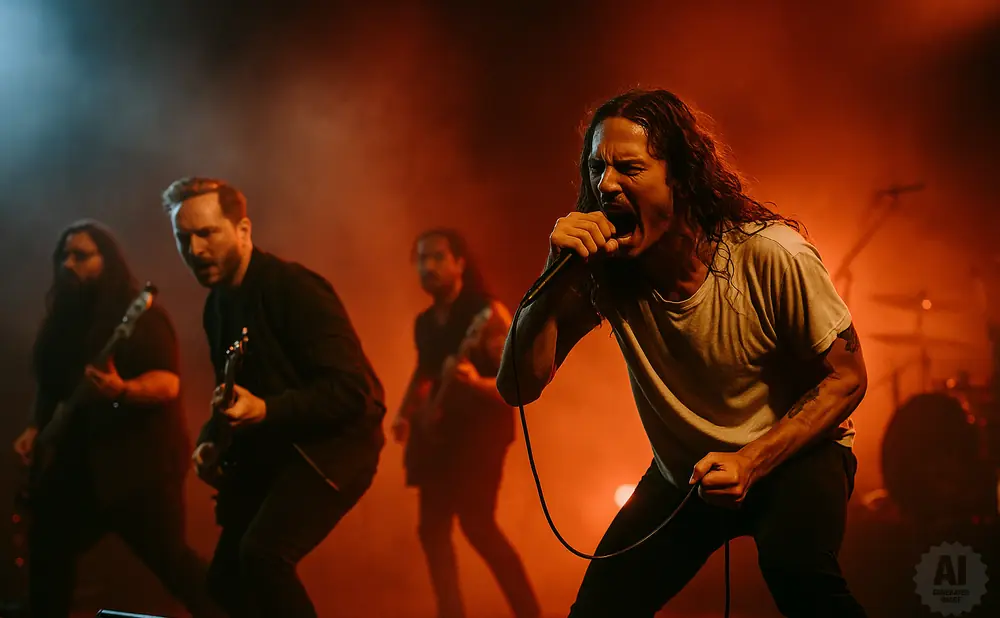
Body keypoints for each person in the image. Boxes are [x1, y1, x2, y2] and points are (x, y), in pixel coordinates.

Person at [496, 89, 869, 618]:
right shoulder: (605, 271)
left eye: (629, 168)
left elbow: (847, 378)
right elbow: (517, 386)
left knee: (799, 577)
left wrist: (751, 460)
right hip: (687, 473)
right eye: (596, 168)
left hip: (797, 456)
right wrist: (552, 277)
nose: (605, 185)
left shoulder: (770, 253)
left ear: (683, 178)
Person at [161, 177, 386, 618]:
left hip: (336, 451)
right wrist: (211, 439)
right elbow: (230, 393)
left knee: (263, 556)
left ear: (243, 230)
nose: (195, 250)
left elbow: (352, 391)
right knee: (224, 581)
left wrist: (266, 410)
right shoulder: (217, 306)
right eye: (182, 238)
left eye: (207, 233)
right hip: (283, 449)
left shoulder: (293, 287)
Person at [12, 220, 219, 618]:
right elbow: (52, 384)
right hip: (79, 468)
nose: (68, 265)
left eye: (81, 256)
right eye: (64, 256)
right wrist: (35, 428)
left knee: (171, 561)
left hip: (137, 469)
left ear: (108, 260)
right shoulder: (61, 321)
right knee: (48, 553)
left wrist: (122, 390)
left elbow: (168, 383)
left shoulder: (140, 315)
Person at [391, 229, 540, 618]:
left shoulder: (487, 314)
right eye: (421, 259)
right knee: (432, 530)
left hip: (480, 437)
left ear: (460, 263)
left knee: (477, 525)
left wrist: (475, 383)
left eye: (438, 257)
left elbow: (519, 383)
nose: (428, 267)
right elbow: (423, 371)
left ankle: (530, 612)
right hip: (438, 438)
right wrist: (405, 413)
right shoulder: (425, 322)